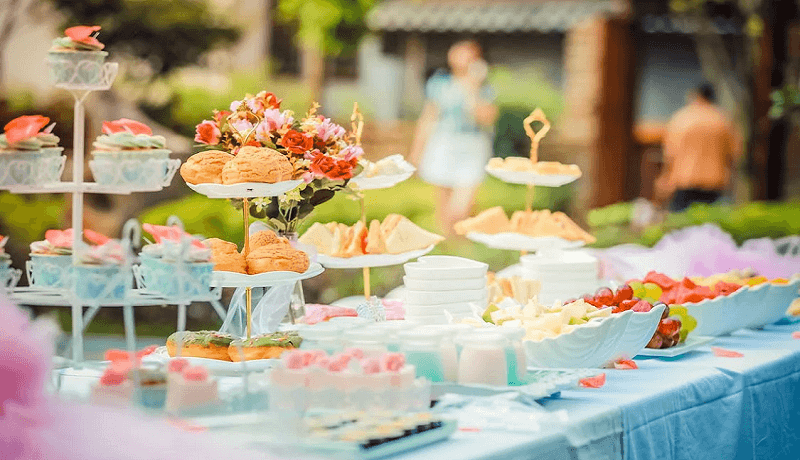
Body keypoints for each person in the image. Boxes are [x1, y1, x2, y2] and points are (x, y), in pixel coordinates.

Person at [409, 40, 498, 235]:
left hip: (472, 145)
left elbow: (486, 118)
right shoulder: (440, 83)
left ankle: (462, 238)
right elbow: (427, 118)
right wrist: (417, 151)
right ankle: (452, 245)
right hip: (443, 143)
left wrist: (473, 88)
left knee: (460, 206)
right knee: (444, 200)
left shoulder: (484, 87)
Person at [655, 83, 741, 212]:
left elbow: (669, 155)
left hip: (684, 181)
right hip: (715, 183)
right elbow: (734, 153)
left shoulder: (681, 119)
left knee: (681, 225)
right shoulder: (723, 120)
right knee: (712, 227)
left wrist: (664, 181)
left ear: (695, 95)